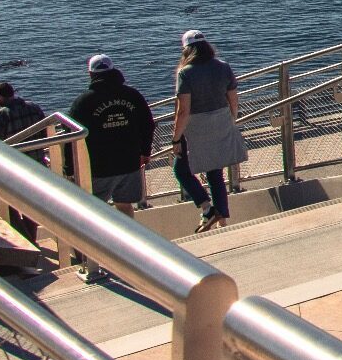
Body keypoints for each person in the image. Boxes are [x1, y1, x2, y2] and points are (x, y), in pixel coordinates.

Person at [173, 30, 250, 232]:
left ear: (187, 50)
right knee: (215, 172)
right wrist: (230, 121)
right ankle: (222, 221)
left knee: (180, 170)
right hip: (221, 120)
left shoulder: (185, 73)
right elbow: (233, 98)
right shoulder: (223, 67)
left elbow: (183, 111)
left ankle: (207, 208)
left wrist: (176, 139)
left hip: (196, 127)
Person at [71, 55, 156, 216]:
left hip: (99, 166)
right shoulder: (132, 95)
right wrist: (145, 152)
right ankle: (129, 236)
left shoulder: (83, 102)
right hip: (130, 162)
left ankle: (98, 240)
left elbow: (70, 135)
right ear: (114, 70)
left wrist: (69, 167)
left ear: (90, 74)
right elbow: (148, 124)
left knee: (93, 208)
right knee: (125, 205)